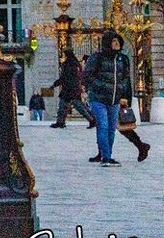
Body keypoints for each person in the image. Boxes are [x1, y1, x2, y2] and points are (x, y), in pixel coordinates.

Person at [84, 29, 134, 167]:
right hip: (99, 98)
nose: (116, 43)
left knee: (111, 128)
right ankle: (105, 157)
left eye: (118, 41)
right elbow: (87, 77)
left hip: (114, 99)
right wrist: (102, 86)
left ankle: (108, 154)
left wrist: (122, 92)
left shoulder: (121, 59)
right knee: (103, 126)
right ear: (107, 43)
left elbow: (125, 78)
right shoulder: (97, 58)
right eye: (113, 41)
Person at [51, 50, 95, 129]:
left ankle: (92, 120)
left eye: (64, 55)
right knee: (76, 106)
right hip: (74, 88)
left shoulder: (67, 64)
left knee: (69, 106)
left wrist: (55, 84)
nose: (63, 57)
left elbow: (64, 77)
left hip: (68, 89)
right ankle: (91, 120)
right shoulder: (77, 64)